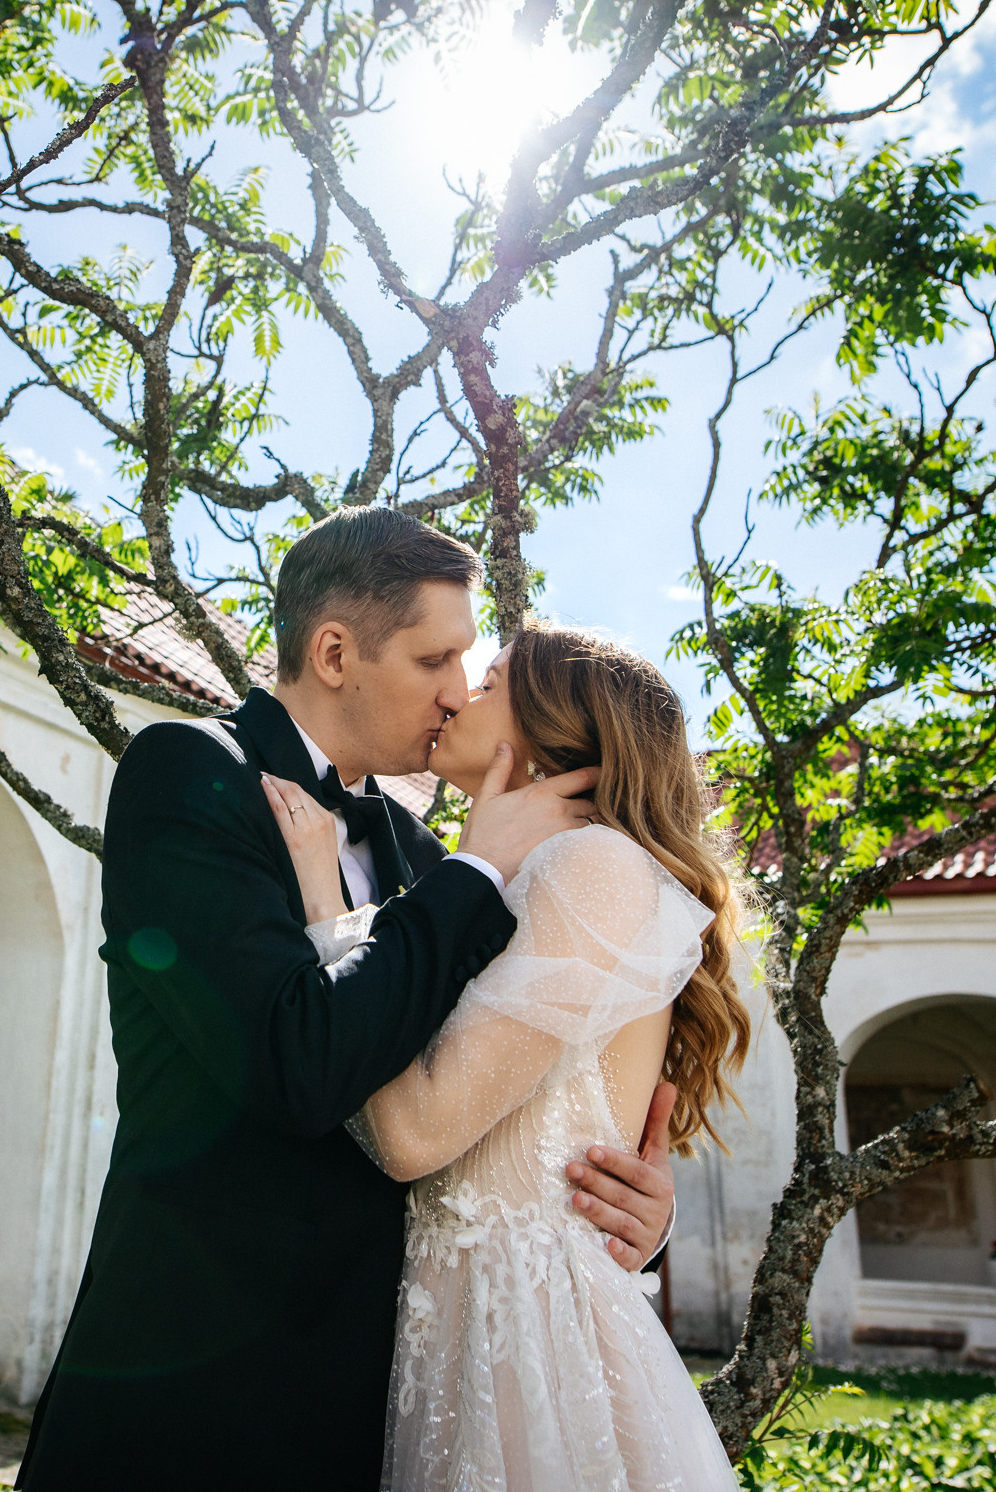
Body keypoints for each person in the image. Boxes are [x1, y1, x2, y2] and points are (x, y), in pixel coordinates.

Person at [17, 512, 681, 1492]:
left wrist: (620, 1210)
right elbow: (300, 1065)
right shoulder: (194, 775)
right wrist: (475, 875)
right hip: (196, 1394)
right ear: (335, 652)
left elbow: (512, 1084)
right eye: (435, 659)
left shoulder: (421, 857)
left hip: (381, 1401)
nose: (459, 692)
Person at [267, 624, 750, 1491]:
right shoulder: (489, 875)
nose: (456, 695)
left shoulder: (588, 864)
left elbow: (413, 1133)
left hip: (523, 1343)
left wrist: (325, 908)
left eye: (486, 680)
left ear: (556, 727)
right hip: (453, 1325)